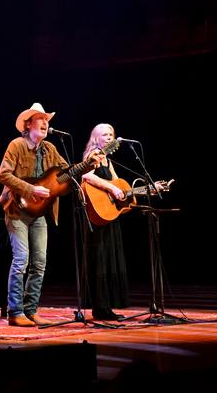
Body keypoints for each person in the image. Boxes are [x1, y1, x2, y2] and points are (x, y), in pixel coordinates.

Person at [0, 103, 73, 327]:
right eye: (39, 119)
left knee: (39, 262)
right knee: (21, 260)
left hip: (40, 212)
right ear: (28, 124)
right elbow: (3, 174)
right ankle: (15, 311)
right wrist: (31, 189)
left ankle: (31, 310)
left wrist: (89, 165)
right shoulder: (17, 145)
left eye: (46, 119)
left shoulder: (49, 148)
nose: (45, 122)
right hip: (16, 211)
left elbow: (68, 172)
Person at [80, 123, 130, 321]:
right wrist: (110, 188)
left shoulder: (108, 161)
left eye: (111, 134)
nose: (109, 137)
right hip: (96, 217)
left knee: (109, 261)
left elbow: (119, 187)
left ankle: (106, 306)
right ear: (96, 138)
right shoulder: (92, 156)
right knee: (99, 261)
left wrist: (131, 192)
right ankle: (99, 307)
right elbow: (85, 176)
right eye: (104, 135)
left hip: (109, 215)